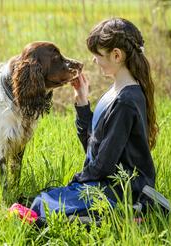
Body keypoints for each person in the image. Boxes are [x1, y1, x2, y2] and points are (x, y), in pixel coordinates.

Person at [14, 17, 159, 224]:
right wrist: (82, 104)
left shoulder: (126, 101)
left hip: (123, 190)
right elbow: (94, 150)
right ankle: (109, 214)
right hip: (103, 182)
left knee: (47, 208)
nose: (93, 60)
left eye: (97, 55)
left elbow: (103, 166)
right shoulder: (115, 92)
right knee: (41, 200)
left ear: (116, 55)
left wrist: (77, 180)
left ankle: (131, 214)